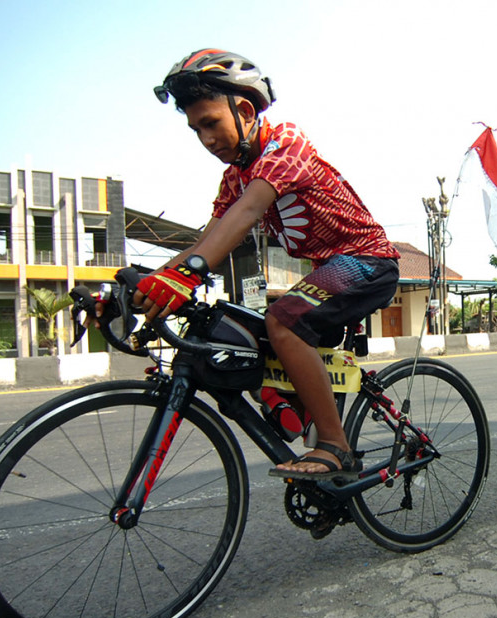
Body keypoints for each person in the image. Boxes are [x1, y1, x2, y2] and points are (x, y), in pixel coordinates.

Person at [140, 48, 400, 480]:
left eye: (210, 123)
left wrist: (188, 274)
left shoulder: (287, 142)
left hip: (367, 260)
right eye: (195, 129)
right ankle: (305, 417)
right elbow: (208, 241)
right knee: (248, 330)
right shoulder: (234, 176)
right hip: (327, 269)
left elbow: (244, 216)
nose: (205, 139)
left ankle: (336, 447)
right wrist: (144, 282)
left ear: (243, 110)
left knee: (282, 320)